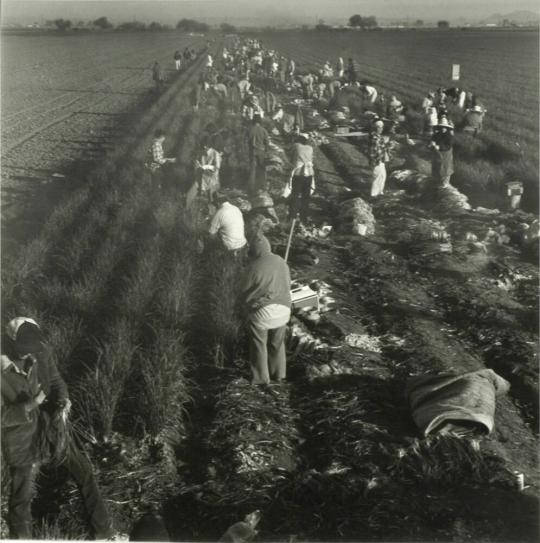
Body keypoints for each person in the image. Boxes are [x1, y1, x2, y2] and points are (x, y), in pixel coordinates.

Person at [1, 318, 125, 540]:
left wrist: (63, 400)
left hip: (53, 426)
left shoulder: (40, 351)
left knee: (84, 472)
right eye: (23, 351)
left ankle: (104, 532)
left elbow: (56, 380)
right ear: (10, 343)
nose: (29, 355)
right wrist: (32, 404)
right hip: (22, 436)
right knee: (21, 496)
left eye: (33, 350)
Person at [239, 235, 291, 385]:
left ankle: (261, 379)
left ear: (254, 251)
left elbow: (244, 291)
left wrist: (245, 305)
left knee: (259, 344)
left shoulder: (253, 267)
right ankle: (279, 374)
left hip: (264, 314)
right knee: (277, 343)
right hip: (284, 310)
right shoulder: (281, 261)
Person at [288, 133, 315, 223]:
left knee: (295, 195)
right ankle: (304, 218)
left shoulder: (296, 146)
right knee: (305, 197)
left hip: (298, 173)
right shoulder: (310, 148)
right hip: (309, 174)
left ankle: (292, 217)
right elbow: (311, 159)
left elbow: (290, 156)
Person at [246, 113, 269, 194]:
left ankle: (251, 188)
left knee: (252, 170)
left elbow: (247, 141)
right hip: (261, 151)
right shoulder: (263, 130)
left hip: (252, 151)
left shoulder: (249, 129)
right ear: (260, 121)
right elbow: (267, 143)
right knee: (262, 169)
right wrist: (266, 151)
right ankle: (263, 187)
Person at [195, 138, 222, 204]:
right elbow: (199, 165)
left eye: (204, 147)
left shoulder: (215, 154)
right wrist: (197, 164)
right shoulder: (201, 153)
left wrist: (205, 167)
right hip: (202, 178)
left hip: (212, 178)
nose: (203, 149)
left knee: (212, 198)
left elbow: (217, 168)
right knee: (203, 198)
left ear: (206, 146)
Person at [430, 116, 454, 187]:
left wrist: (439, 146)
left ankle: (445, 184)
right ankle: (436, 183)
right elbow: (433, 139)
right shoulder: (437, 134)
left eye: (444, 127)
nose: (443, 128)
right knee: (436, 168)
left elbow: (448, 146)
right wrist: (432, 143)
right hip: (437, 155)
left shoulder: (449, 136)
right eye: (441, 127)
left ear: (447, 128)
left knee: (445, 169)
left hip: (446, 155)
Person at [368, 119, 390, 198]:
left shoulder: (379, 137)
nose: (382, 129)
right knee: (377, 177)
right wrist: (373, 162)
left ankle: (380, 192)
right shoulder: (374, 138)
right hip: (377, 160)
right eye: (380, 127)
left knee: (383, 176)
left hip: (381, 160)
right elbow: (372, 152)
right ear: (376, 128)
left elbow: (383, 148)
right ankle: (374, 194)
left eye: (382, 127)